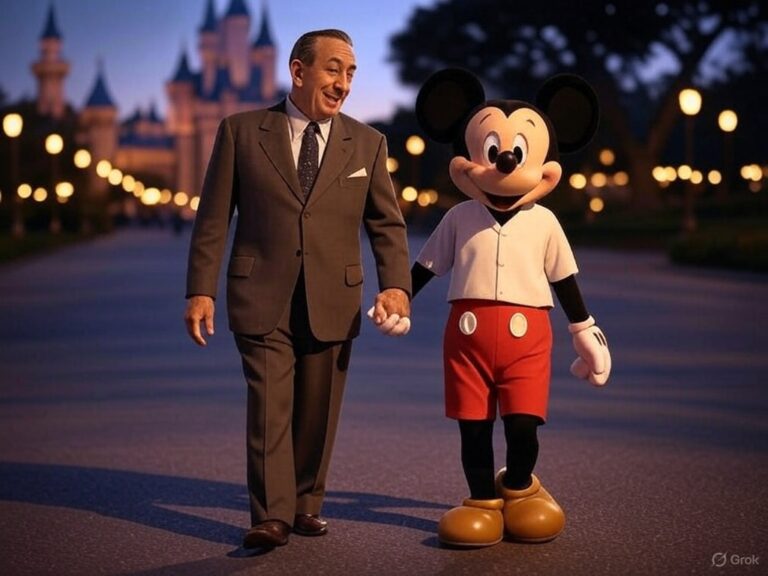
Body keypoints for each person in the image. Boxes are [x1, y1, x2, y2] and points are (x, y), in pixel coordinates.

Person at [184, 29, 411, 550]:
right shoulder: (241, 132)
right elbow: (213, 218)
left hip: (334, 295)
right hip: (260, 292)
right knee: (270, 404)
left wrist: (396, 286)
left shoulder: (368, 143)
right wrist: (201, 290)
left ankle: (306, 501)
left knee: (318, 408)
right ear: (298, 70)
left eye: (351, 73)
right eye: (334, 69)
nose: (344, 83)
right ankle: (271, 514)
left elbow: (387, 224)